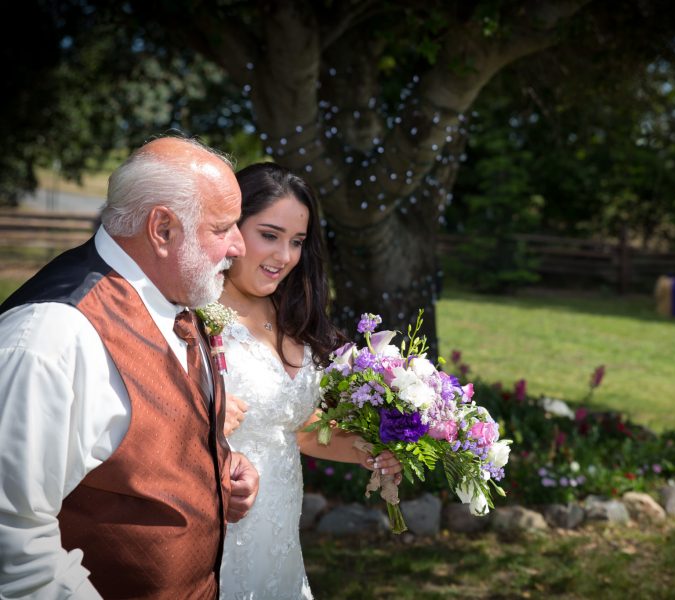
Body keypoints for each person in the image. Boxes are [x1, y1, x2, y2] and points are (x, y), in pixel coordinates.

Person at [0, 135, 260, 599]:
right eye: (222, 228)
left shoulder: (176, 298)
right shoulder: (51, 337)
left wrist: (218, 466)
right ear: (162, 229)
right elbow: (13, 540)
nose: (239, 246)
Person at [216, 163, 402, 599]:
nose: (284, 256)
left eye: (296, 241)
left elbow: (298, 430)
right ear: (231, 228)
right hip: (221, 525)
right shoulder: (195, 316)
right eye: (269, 235)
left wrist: (371, 451)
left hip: (280, 535)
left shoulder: (292, 317)